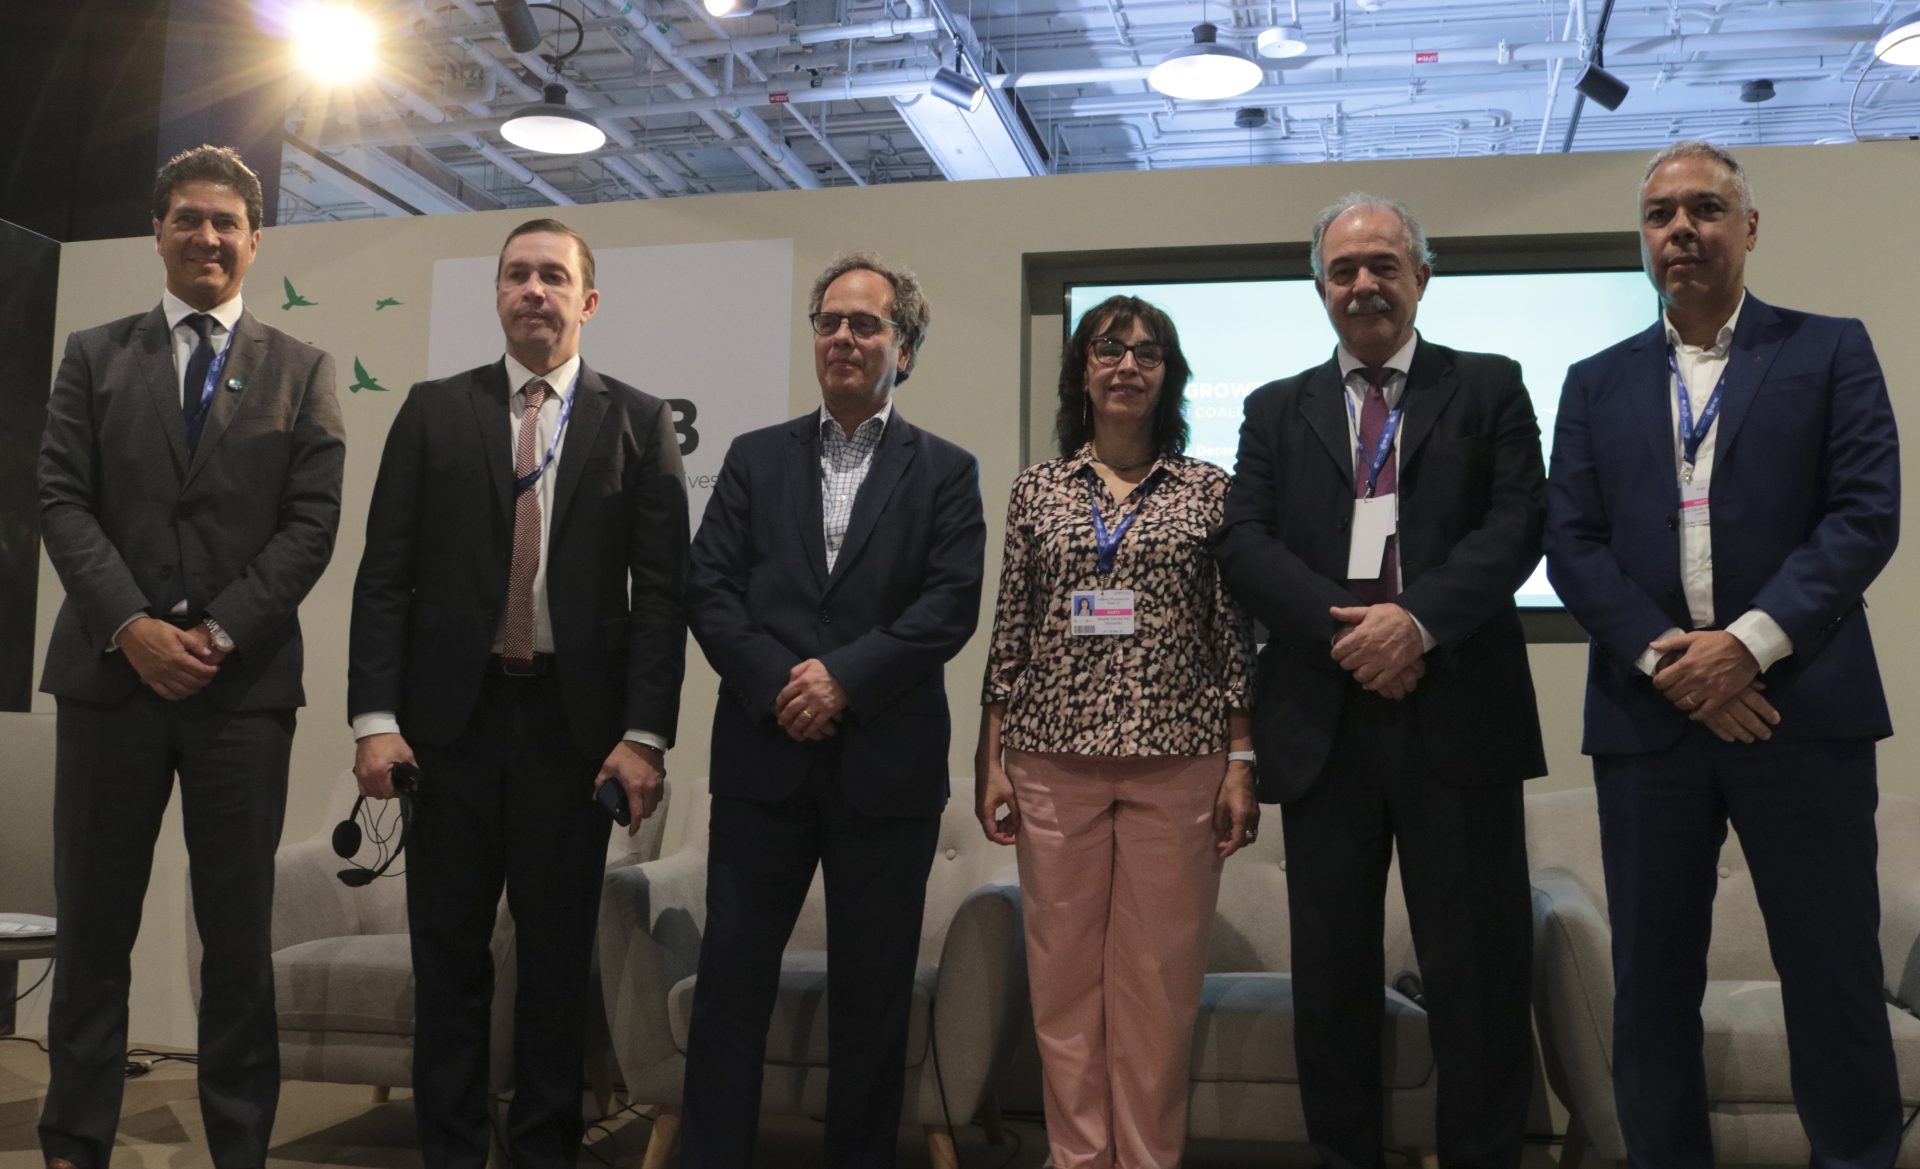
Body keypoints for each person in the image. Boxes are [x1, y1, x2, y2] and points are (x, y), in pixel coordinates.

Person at [1543, 141, 1902, 1167]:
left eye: (1706, 208)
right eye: (1660, 214)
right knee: (1652, 983)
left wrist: (1744, 649)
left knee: (1832, 973)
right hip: (1649, 719)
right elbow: (1572, 541)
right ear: (1644, 239)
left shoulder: (1830, 350)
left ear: (1749, 227)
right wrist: (1675, 664)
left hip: (1803, 711)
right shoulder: (1595, 380)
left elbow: (1864, 515)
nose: (1681, 229)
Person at [347, 218, 688, 1169]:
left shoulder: (639, 419)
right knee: (447, 959)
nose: (532, 290)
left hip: (572, 736)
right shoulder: (431, 411)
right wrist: (375, 722)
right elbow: (385, 577)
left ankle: (545, 1153)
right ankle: (451, 1152)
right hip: (448, 732)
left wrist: (645, 736)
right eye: (516, 276)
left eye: (553, 276)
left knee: (552, 968)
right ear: (497, 295)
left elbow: (662, 598)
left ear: (587, 299)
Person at [1215, 193, 1546, 1169]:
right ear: (1320, 288)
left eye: (1383, 265)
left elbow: (1517, 525)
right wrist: (1350, 633)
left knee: (1479, 976)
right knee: (1331, 979)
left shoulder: (1488, 387)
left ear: (1422, 277)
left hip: (1460, 716)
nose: (1363, 284)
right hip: (1326, 724)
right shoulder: (1275, 409)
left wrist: (1418, 621)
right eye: (1343, 269)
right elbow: (1245, 542)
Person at [36, 144, 346, 1169]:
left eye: (227, 222)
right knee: (92, 934)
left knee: (236, 940)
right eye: (189, 218)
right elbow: (61, 502)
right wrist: (133, 625)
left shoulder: (303, 370)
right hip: (107, 678)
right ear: (156, 233)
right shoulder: (91, 353)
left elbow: (311, 524)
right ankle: (75, 1142)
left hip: (239, 690)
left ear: (255, 243)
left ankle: (240, 1149)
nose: (208, 236)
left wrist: (212, 633)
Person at [680, 252, 985, 1169]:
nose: (844, 338)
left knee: (874, 993)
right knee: (730, 984)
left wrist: (842, 679)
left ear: (907, 348)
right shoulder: (751, 456)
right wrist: (787, 684)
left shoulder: (947, 471)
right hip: (761, 762)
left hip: (882, 771)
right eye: (830, 322)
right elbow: (709, 589)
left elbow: (949, 604)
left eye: (867, 324)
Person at [975, 294, 1257, 1169]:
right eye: (1109, 349)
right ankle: (1077, 1159)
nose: (1127, 364)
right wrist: (990, 760)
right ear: (1083, 371)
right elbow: (1010, 632)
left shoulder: (1210, 491)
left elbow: (1231, 634)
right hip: (1051, 762)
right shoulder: (1039, 490)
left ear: (1169, 375)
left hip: (1180, 764)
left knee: (1158, 989)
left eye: (1147, 352)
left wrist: (1241, 757)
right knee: (1063, 985)